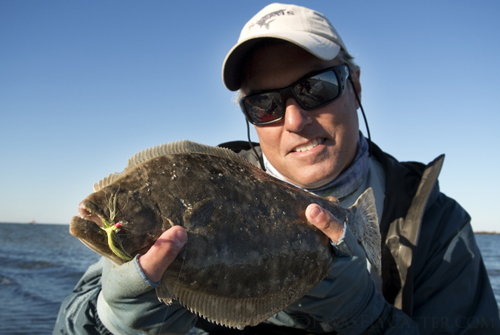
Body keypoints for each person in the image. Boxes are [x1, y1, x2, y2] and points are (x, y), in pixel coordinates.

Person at [54, 3, 500, 335]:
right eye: (264, 104)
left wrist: (368, 320)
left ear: (356, 86)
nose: (294, 121)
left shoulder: (435, 225)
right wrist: (110, 322)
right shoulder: (188, 188)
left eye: (315, 87)